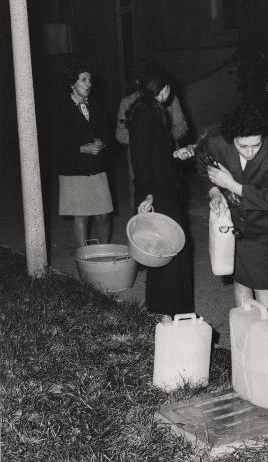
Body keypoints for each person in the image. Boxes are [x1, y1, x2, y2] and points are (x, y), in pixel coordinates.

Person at [198, 104, 268, 311]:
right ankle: (245, 336)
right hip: (236, 226)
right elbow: (202, 165)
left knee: (264, 287)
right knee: (240, 281)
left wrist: (231, 185)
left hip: (266, 229)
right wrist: (214, 191)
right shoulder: (216, 144)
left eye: (256, 145)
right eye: (243, 146)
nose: (250, 152)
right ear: (232, 139)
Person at [127, 63, 193, 316]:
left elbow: (153, 154)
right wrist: (148, 196)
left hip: (160, 187)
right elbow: (141, 160)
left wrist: (173, 155)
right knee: (172, 248)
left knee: (163, 250)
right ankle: (173, 308)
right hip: (156, 191)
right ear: (164, 90)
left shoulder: (150, 110)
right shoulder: (147, 114)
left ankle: (161, 307)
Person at [55, 60, 113, 246]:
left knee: (103, 214)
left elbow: (108, 135)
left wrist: (102, 143)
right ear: (72, 84)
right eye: (83, 80)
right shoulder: (60, 110)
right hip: (74, 170)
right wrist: (81, 148)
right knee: (81, 216)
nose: (89, 84)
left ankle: (104, 250)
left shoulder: (96, 106)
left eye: (90, 80)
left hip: (97, 169)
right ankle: (84, 259)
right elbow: (54, 145)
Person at [116, 60, 189, 206]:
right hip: (141, 160)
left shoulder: (171, 99)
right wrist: (148, 140)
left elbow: (182, 126)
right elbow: (120, 134)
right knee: (144, 201)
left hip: (168, 158)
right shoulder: (129, 103)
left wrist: (164, 142)